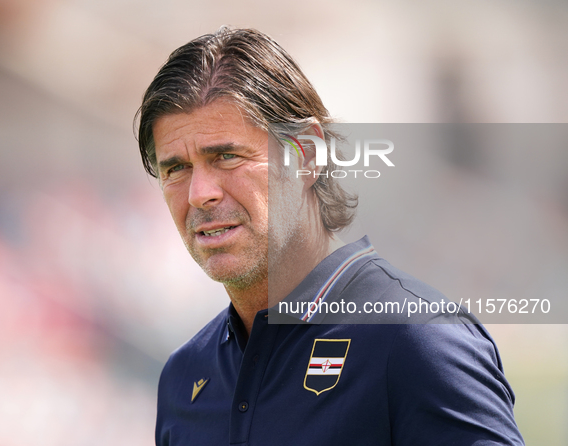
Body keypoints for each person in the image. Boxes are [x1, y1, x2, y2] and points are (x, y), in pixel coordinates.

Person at [136, 27, 524, 445]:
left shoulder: (417, 338)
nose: (200, 194)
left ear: (306, 156)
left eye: (226, 156)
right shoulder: (184, 376)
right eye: (175, 168)